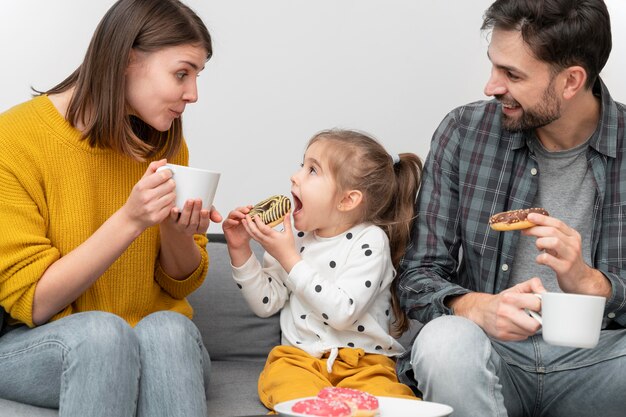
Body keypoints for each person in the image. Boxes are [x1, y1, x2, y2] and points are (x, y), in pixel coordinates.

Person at [397, 0, 626, 416]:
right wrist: (477, 307)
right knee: (442, 342)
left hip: (601, 361)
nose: (491, 86)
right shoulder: (463, 133)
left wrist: (593, 284)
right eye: (494, 66)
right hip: (491, 355)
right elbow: (418, 275)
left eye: (512, 74)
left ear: (571, 81)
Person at [0, 1, 221, 416]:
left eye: (196, 76)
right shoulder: (13, 140)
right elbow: (35, 302)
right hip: (52, 346)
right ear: (126, 60)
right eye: (181, 73)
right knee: (104, 335)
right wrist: (131, 219)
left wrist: (176, 232)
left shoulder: (164, 141)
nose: (192, 94)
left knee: (170, 329)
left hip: (161, 348)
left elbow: (178, 287)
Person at [222, 129, 422, 411]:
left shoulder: (370, 241)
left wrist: (290, 259)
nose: (296, 175)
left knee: (389, 404)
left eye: (312, 170)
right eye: (302, 165)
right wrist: (240, 249)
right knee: (291, 394)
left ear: (347, 200)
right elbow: (267, 303)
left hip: (364, 362)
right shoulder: (294, 240)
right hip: (298, 360)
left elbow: (342, 312)